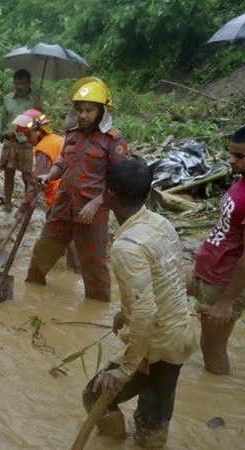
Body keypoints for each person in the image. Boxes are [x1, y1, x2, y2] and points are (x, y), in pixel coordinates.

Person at [83, 158, 197, 448]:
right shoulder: (161, 223)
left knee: (95, 394)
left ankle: (112, 441)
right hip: (180, 335)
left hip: (154, 345)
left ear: (108, 195)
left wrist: (125, 368)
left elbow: (145, 312)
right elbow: (167, 278)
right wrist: (125, 312)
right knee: (153, 421)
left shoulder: (127, 247)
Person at [25, 77, 129, 302]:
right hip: (63, 204)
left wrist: (96, 202)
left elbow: (120, 180)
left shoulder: (113, 141)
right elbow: (62, 162)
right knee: (42, 252)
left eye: (89, 110)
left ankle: (97, 308)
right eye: (80, 110)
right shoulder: (72, 134)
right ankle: (32, 295)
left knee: (94, 265)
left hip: (92, 213)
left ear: (101, 111)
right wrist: (49, 175)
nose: (83, 115)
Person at [188, 125, 245, 375]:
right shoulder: (241, 182)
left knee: (213, 349)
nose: (231, 160)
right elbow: (224, 230)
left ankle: (217, 401)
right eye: (231, 153)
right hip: (210, 272)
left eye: (240, 156)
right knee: (207, 343)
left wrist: (228, 300)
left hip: (223, 282)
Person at [13, 109, 80, 271]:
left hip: (61, 195)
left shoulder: (44, 147)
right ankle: (67, 262)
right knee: (58, 222)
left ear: (38, 131)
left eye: (29, 136)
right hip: (71, 191)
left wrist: (23, 208)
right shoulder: (55, 139)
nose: (28, 141)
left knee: (64, 231)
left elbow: (37, 183)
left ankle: (75, 268)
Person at [0, 69, 41, 213]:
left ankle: (27, 206)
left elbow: (40, 122)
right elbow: (2, 122)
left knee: (27, 177)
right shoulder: (8, 99)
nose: (19, 87)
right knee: (8, 175)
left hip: (26, 142)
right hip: (9, 140)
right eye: (17, 83)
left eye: (23, 84)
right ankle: (7, 205)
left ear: (29, 84)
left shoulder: (35, 100)